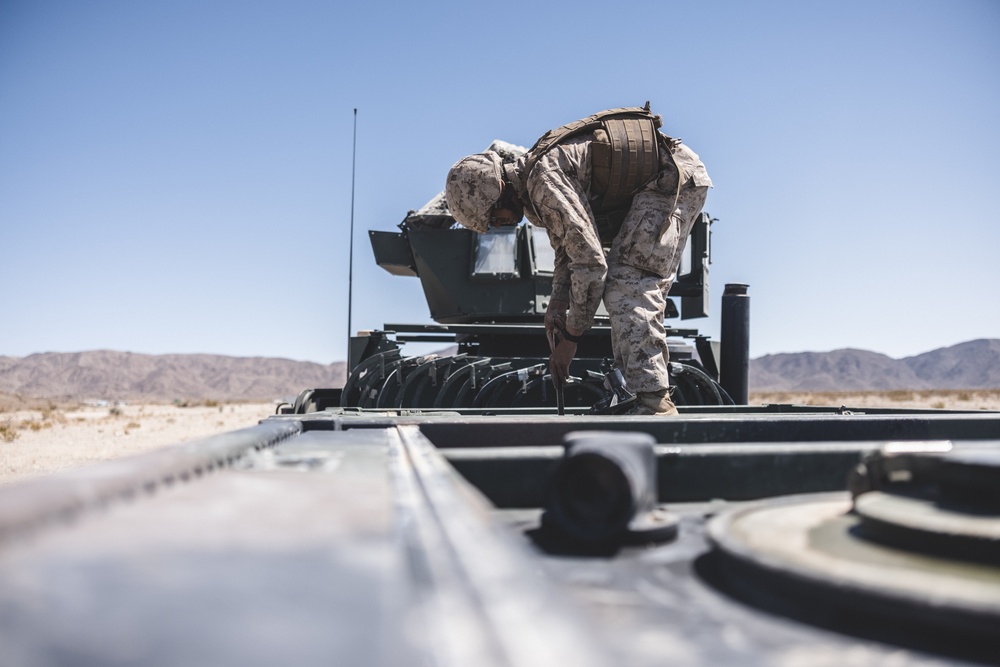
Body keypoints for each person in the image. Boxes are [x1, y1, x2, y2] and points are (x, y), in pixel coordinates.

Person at [444, 104, 712, 415]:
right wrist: (557, 304)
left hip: (671, 178)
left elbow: (590, 263)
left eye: (493, 216)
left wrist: (571, 337)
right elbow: (566, 249)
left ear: (498, 190)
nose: (499, 225)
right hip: (660, 182)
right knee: (624, 286)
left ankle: (653, 403)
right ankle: (636, 393)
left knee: (626, 284)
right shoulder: (534, 188)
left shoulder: (542, 181)